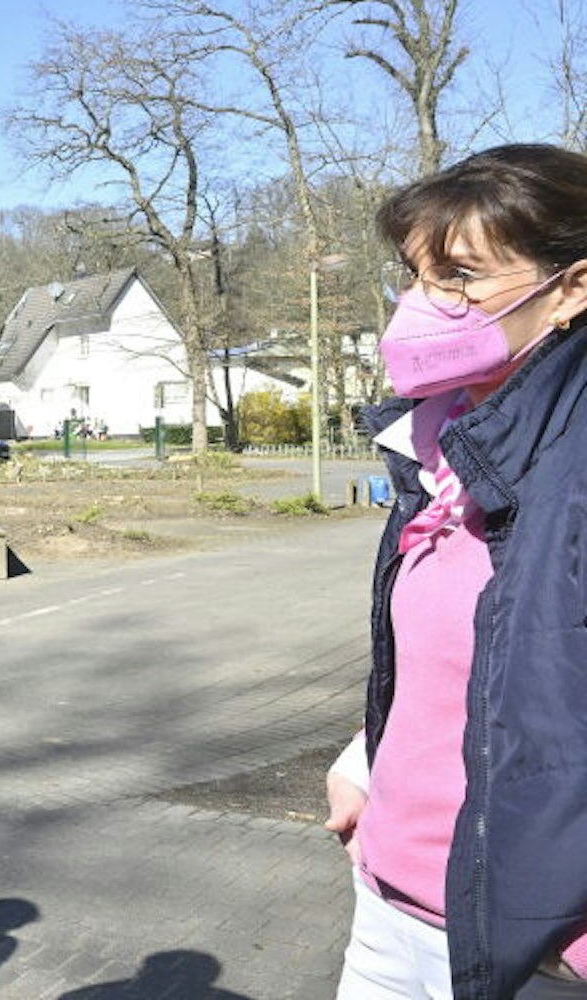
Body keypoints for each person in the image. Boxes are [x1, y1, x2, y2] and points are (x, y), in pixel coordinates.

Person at [322, 144, 587, 999]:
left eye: (461, 277)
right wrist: (368, 759)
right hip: (390, 905)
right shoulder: (435, 443)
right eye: (416, 275)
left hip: (530, 948)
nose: (423, 306)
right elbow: (469, 661)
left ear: (572, 288)